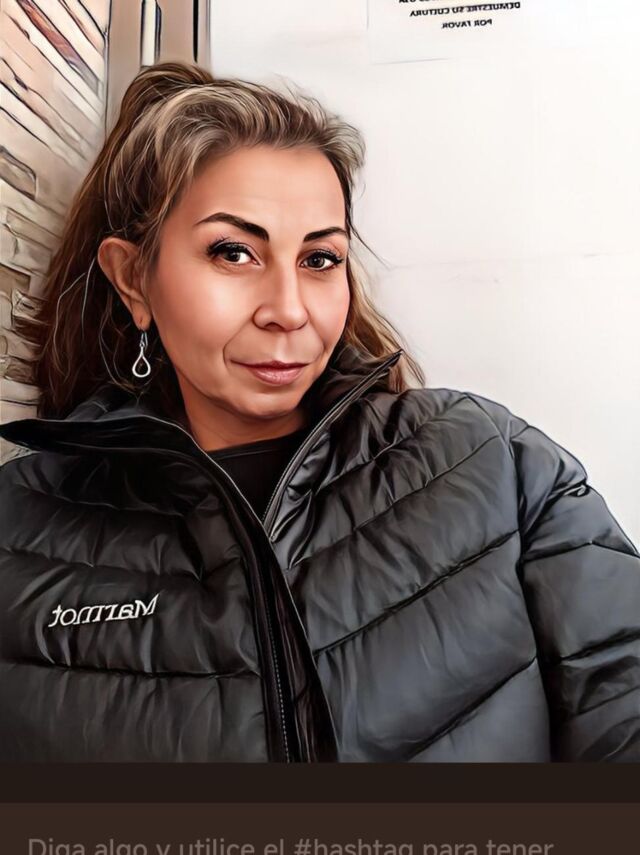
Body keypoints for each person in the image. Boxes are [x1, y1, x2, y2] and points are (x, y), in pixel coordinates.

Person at [0, 61, 638, 763]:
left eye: (320, 259)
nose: (289, 310)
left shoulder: (495, 462)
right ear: (134, 280)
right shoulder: (19, 530)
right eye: (234, 252)